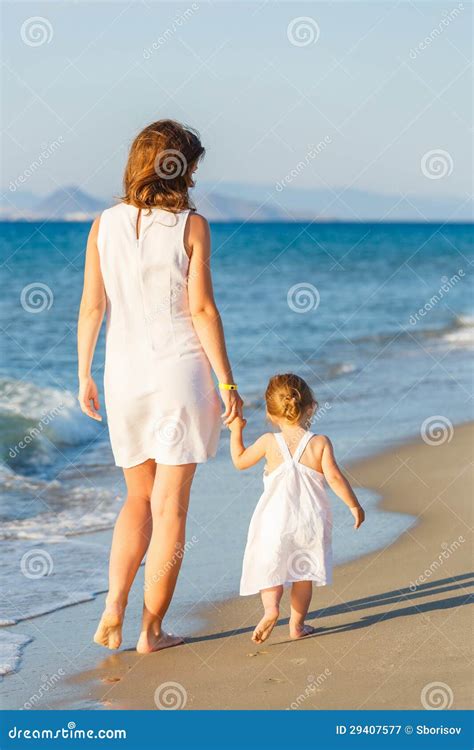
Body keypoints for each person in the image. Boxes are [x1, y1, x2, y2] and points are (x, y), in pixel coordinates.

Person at [77, 119, 243, 653]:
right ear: (182, 169)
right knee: (169, 506)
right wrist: (227, 381)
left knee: (137, 500)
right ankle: (150, 631)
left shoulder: (103, 225)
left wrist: (83, 374)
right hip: (179, 371)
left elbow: (92, 307)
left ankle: (113, 604)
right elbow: (201, 309)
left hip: (122, 374)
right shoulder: (192, 226)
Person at [229, 373, 364, 644]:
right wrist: (354, 505)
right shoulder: (320, 443)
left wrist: (236, 431)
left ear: (270, 412)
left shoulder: (268, 442)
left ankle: (270, 610)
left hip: (273, 522)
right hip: (309, 522)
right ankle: (297, 625)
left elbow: (240, 461)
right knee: (303, 574)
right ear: (311, 406)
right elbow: (335, 478)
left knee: (272, 566)